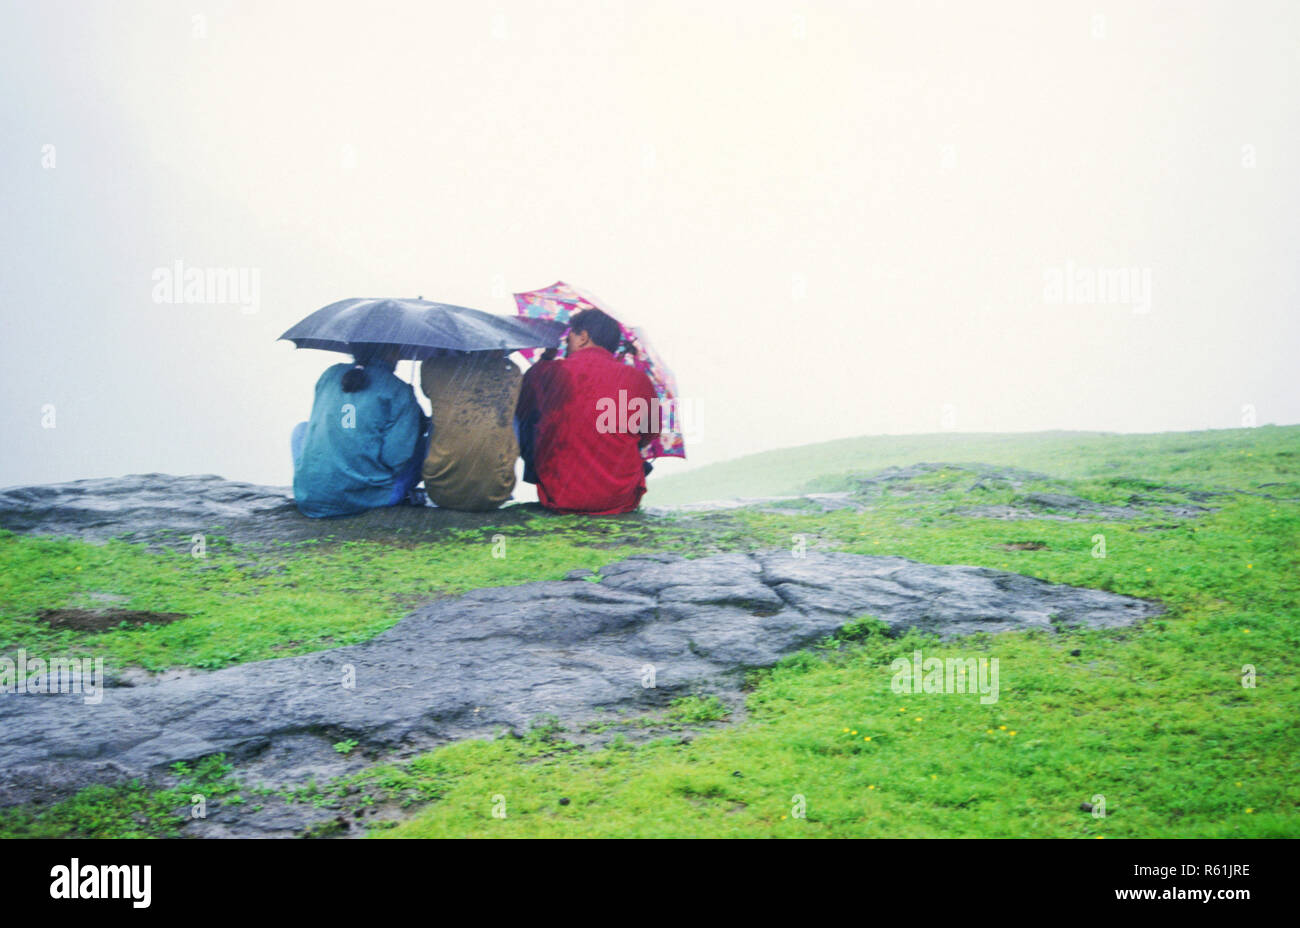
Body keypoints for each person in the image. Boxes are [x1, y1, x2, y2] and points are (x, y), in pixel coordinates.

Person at [516, 308, 659, 515]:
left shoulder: (547, 371)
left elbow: (522, 411)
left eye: (569, 338)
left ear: (583, 337)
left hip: (561, 495)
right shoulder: (638, 379)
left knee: (531, 420)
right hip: (622, 497)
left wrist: (545, 359)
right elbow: (648, 436)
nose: (565, 344)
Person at [291, 345, 429, 518]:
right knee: (427, 443)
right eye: (398, 349)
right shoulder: (399, 390)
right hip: (364, 500)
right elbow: (394, 459)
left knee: (302, 429)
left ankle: (315, 482)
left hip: (309, 496)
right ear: (391, 351)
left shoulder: (329, 375)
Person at [418, 351, 522, 511]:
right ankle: (491, 471)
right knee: (508, 417)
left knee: (439, 419)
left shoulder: (433, 366)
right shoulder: (512, 371)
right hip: (498, 491)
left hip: (440, 491)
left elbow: (427, 391)